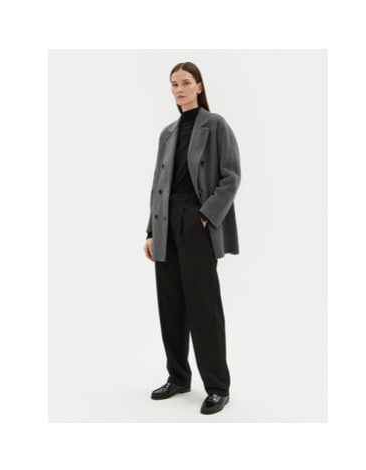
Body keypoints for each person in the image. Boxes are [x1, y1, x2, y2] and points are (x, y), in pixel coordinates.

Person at [143, 62, 241, 415]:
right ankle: (178, 376)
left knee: (203, 306)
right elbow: (158, 185)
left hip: (195, 218)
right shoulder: (167, 132)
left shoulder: (215, 125)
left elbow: (231, 177)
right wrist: (151, 231)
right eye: (174, 84)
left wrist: (205, 216)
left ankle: (217, 387)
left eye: (186, 83)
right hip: (166, 221)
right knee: (170, 303)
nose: (179, 89)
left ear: (199, 86)